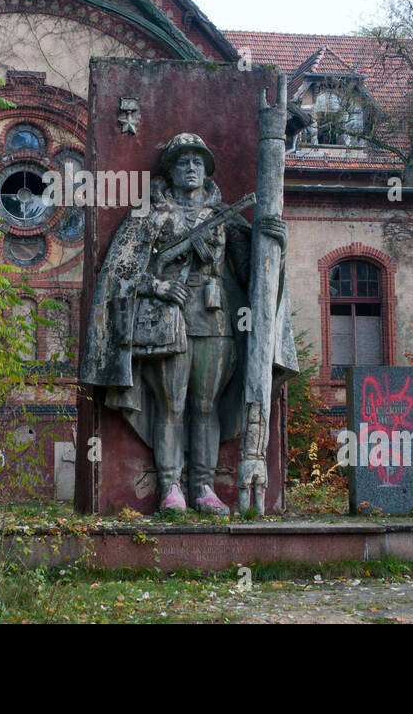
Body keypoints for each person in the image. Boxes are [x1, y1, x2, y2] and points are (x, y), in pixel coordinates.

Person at [81, 133, 293, 514]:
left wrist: (276, 245)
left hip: (215, 319)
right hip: (167, 320)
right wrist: (158, 286)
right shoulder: (150, 214)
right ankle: (170, 488)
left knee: (206, 406)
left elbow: (254, 277)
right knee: (170, 406)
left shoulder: (223, 217)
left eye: (198, 161)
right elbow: (119, 273)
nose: (191, 167)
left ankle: (204, 488)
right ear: (170, 170)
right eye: (183, 161)